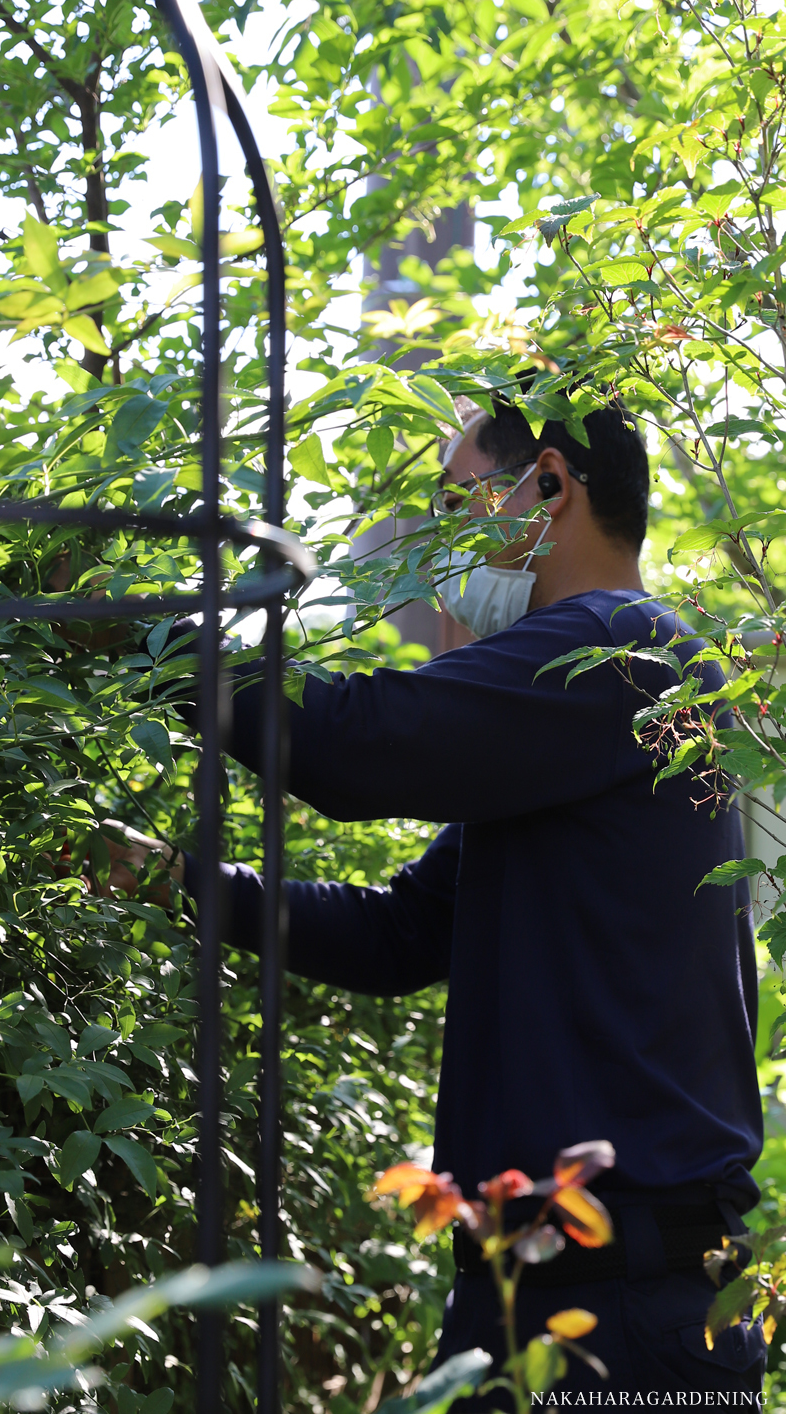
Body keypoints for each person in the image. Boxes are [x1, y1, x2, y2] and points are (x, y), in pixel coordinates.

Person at [104, 393, 766, 1403]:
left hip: (623, 1305)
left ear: (547, 484)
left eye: (461, 502)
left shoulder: (620, 654)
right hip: (567, 1290)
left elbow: (360, 744)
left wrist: (141, 637)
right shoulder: (586, 704)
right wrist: (181, 880)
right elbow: (402, 933)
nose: (444, 541)